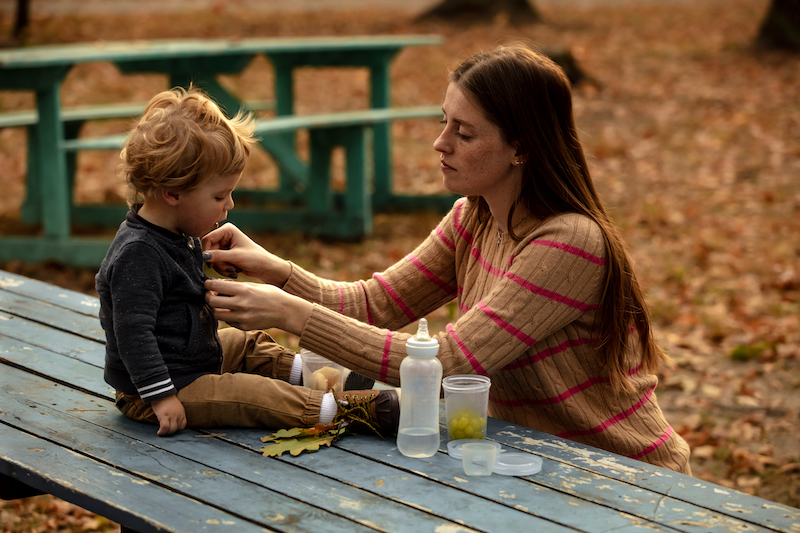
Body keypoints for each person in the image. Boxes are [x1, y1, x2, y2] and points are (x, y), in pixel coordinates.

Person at [201, 44, 692, 474]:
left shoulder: (569, 243)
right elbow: (375, 305)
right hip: (533, 464)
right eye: (444, 122)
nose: (441, 143)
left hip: (625, 475)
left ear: (521, 148)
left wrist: (291, 314)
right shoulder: (471, 218)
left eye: (465, 133)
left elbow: (449, 362)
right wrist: (277, 271)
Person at [95, 86, 399, 438]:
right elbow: (132, 333)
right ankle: (345, 410)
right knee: (249, 394)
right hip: (157, 389)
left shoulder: (174, 231)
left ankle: (318, 377)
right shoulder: (138, 253)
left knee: (247, 344)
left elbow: (173, 287)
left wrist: (207, 265)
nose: (230, 205)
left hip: (192, 358)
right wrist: (161, 397)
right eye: (220, 196)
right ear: (173, 193)